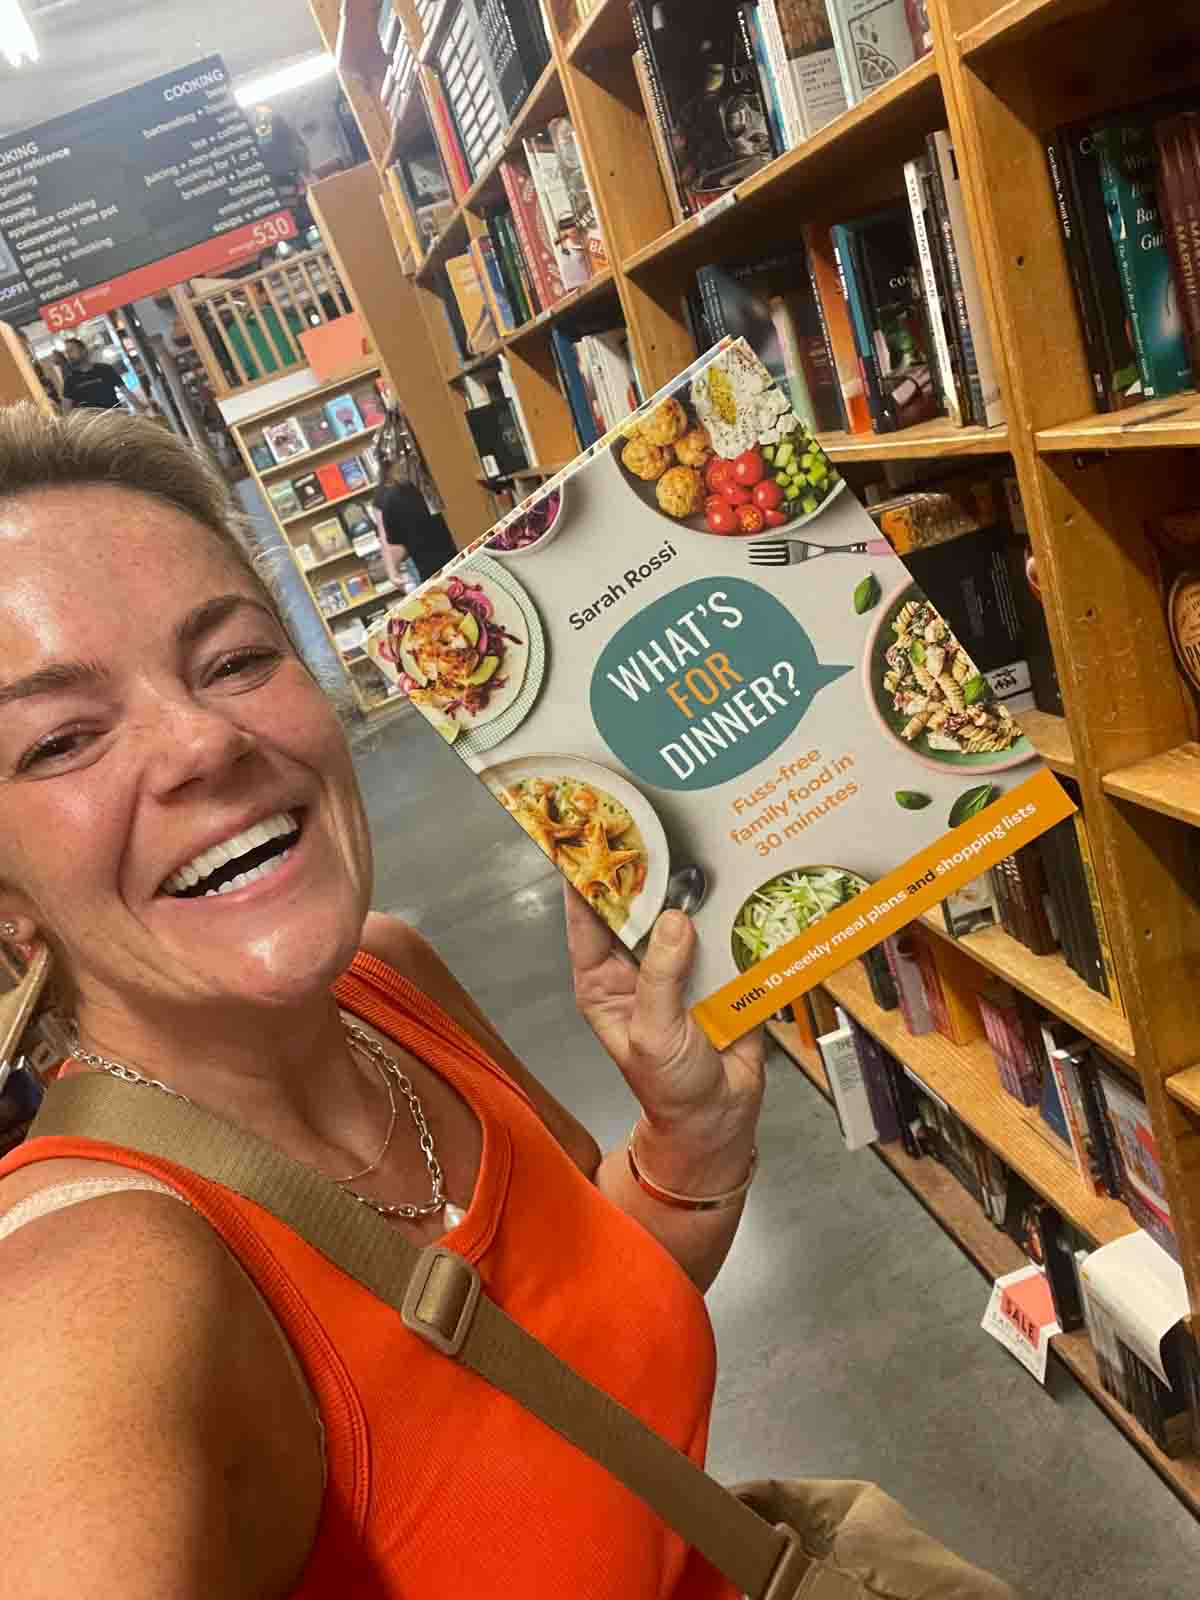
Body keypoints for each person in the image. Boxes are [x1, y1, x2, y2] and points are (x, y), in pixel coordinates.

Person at [0, 405, 763, 1597]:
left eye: (236, 659)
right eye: (60, 741)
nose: (203, 741)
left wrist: (692, 1139)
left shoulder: (388, 980)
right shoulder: (90, 1284)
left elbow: (593, 1346)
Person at [372, 447, 457, 585]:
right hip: (457, 552)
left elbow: (389, 541)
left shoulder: (386, 496)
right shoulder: (433, 478)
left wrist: (393, 572)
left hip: (431, 569)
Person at [59, 336, 146, 414]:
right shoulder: (70, 380)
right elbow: (66, 411)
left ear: (83, 351)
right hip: (94, 425)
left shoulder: (105, 369)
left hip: (116, 419)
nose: (69, 355)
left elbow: (126, 392)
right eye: (67, 352)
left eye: (71, 350)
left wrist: (142, 412)